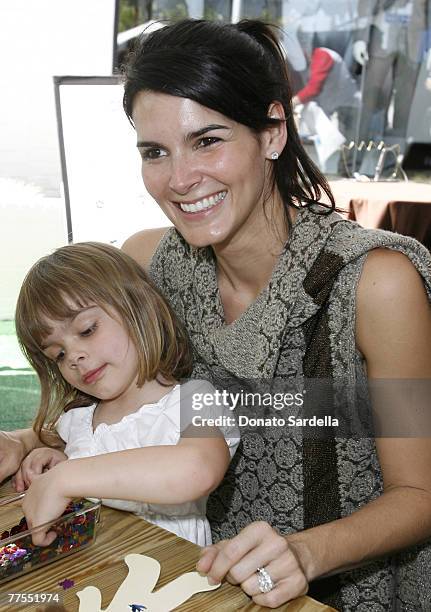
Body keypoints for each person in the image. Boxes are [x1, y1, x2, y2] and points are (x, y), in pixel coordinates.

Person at [2, 19, 430, 610]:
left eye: (207, 140)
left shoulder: (375, 282)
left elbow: (420, 492)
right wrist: (25, 440)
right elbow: (136, 403)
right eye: (155, 152)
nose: (179, 180)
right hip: (177, 574)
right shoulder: (147, 260)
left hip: (332, 589)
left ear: (273, 132)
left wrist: (304, 553)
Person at [12, 241, 239, 547]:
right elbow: (87, 471)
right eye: (59, 354)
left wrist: (65, 477)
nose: (74, 356)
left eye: (88, 329)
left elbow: (197, 469)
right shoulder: (78, 421)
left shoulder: (195, 400)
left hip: (176, 578)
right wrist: (57, 460)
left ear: (140, 308)